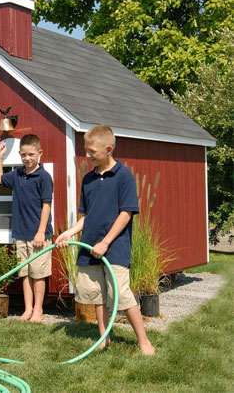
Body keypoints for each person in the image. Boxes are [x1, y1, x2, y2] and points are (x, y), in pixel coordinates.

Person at [56, 125, 155, 356]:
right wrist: (70, 233)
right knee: (96, 295)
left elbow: (126, 213)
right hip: (89, 246)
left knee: (122, 294)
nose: (87, 156)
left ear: (108, 149)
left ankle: (143, 341)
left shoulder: (123, 176)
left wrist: (106, 243)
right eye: (86, 151)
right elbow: (87, 216)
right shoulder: (88, 179)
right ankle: (104, 336)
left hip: (115, 248)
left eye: (92, 152)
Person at [0, 134, 53, 323]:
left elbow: (47, 205)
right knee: (25, 273)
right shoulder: (18, 175)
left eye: (31, 155)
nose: (27, 158)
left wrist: (41, 232)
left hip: (38, 235)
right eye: (23, 155)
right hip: (20, 233)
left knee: (38, 274)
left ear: (39, 153)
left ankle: (38, 310)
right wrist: (0, 158)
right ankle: (27, 309)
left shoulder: (44, 177)